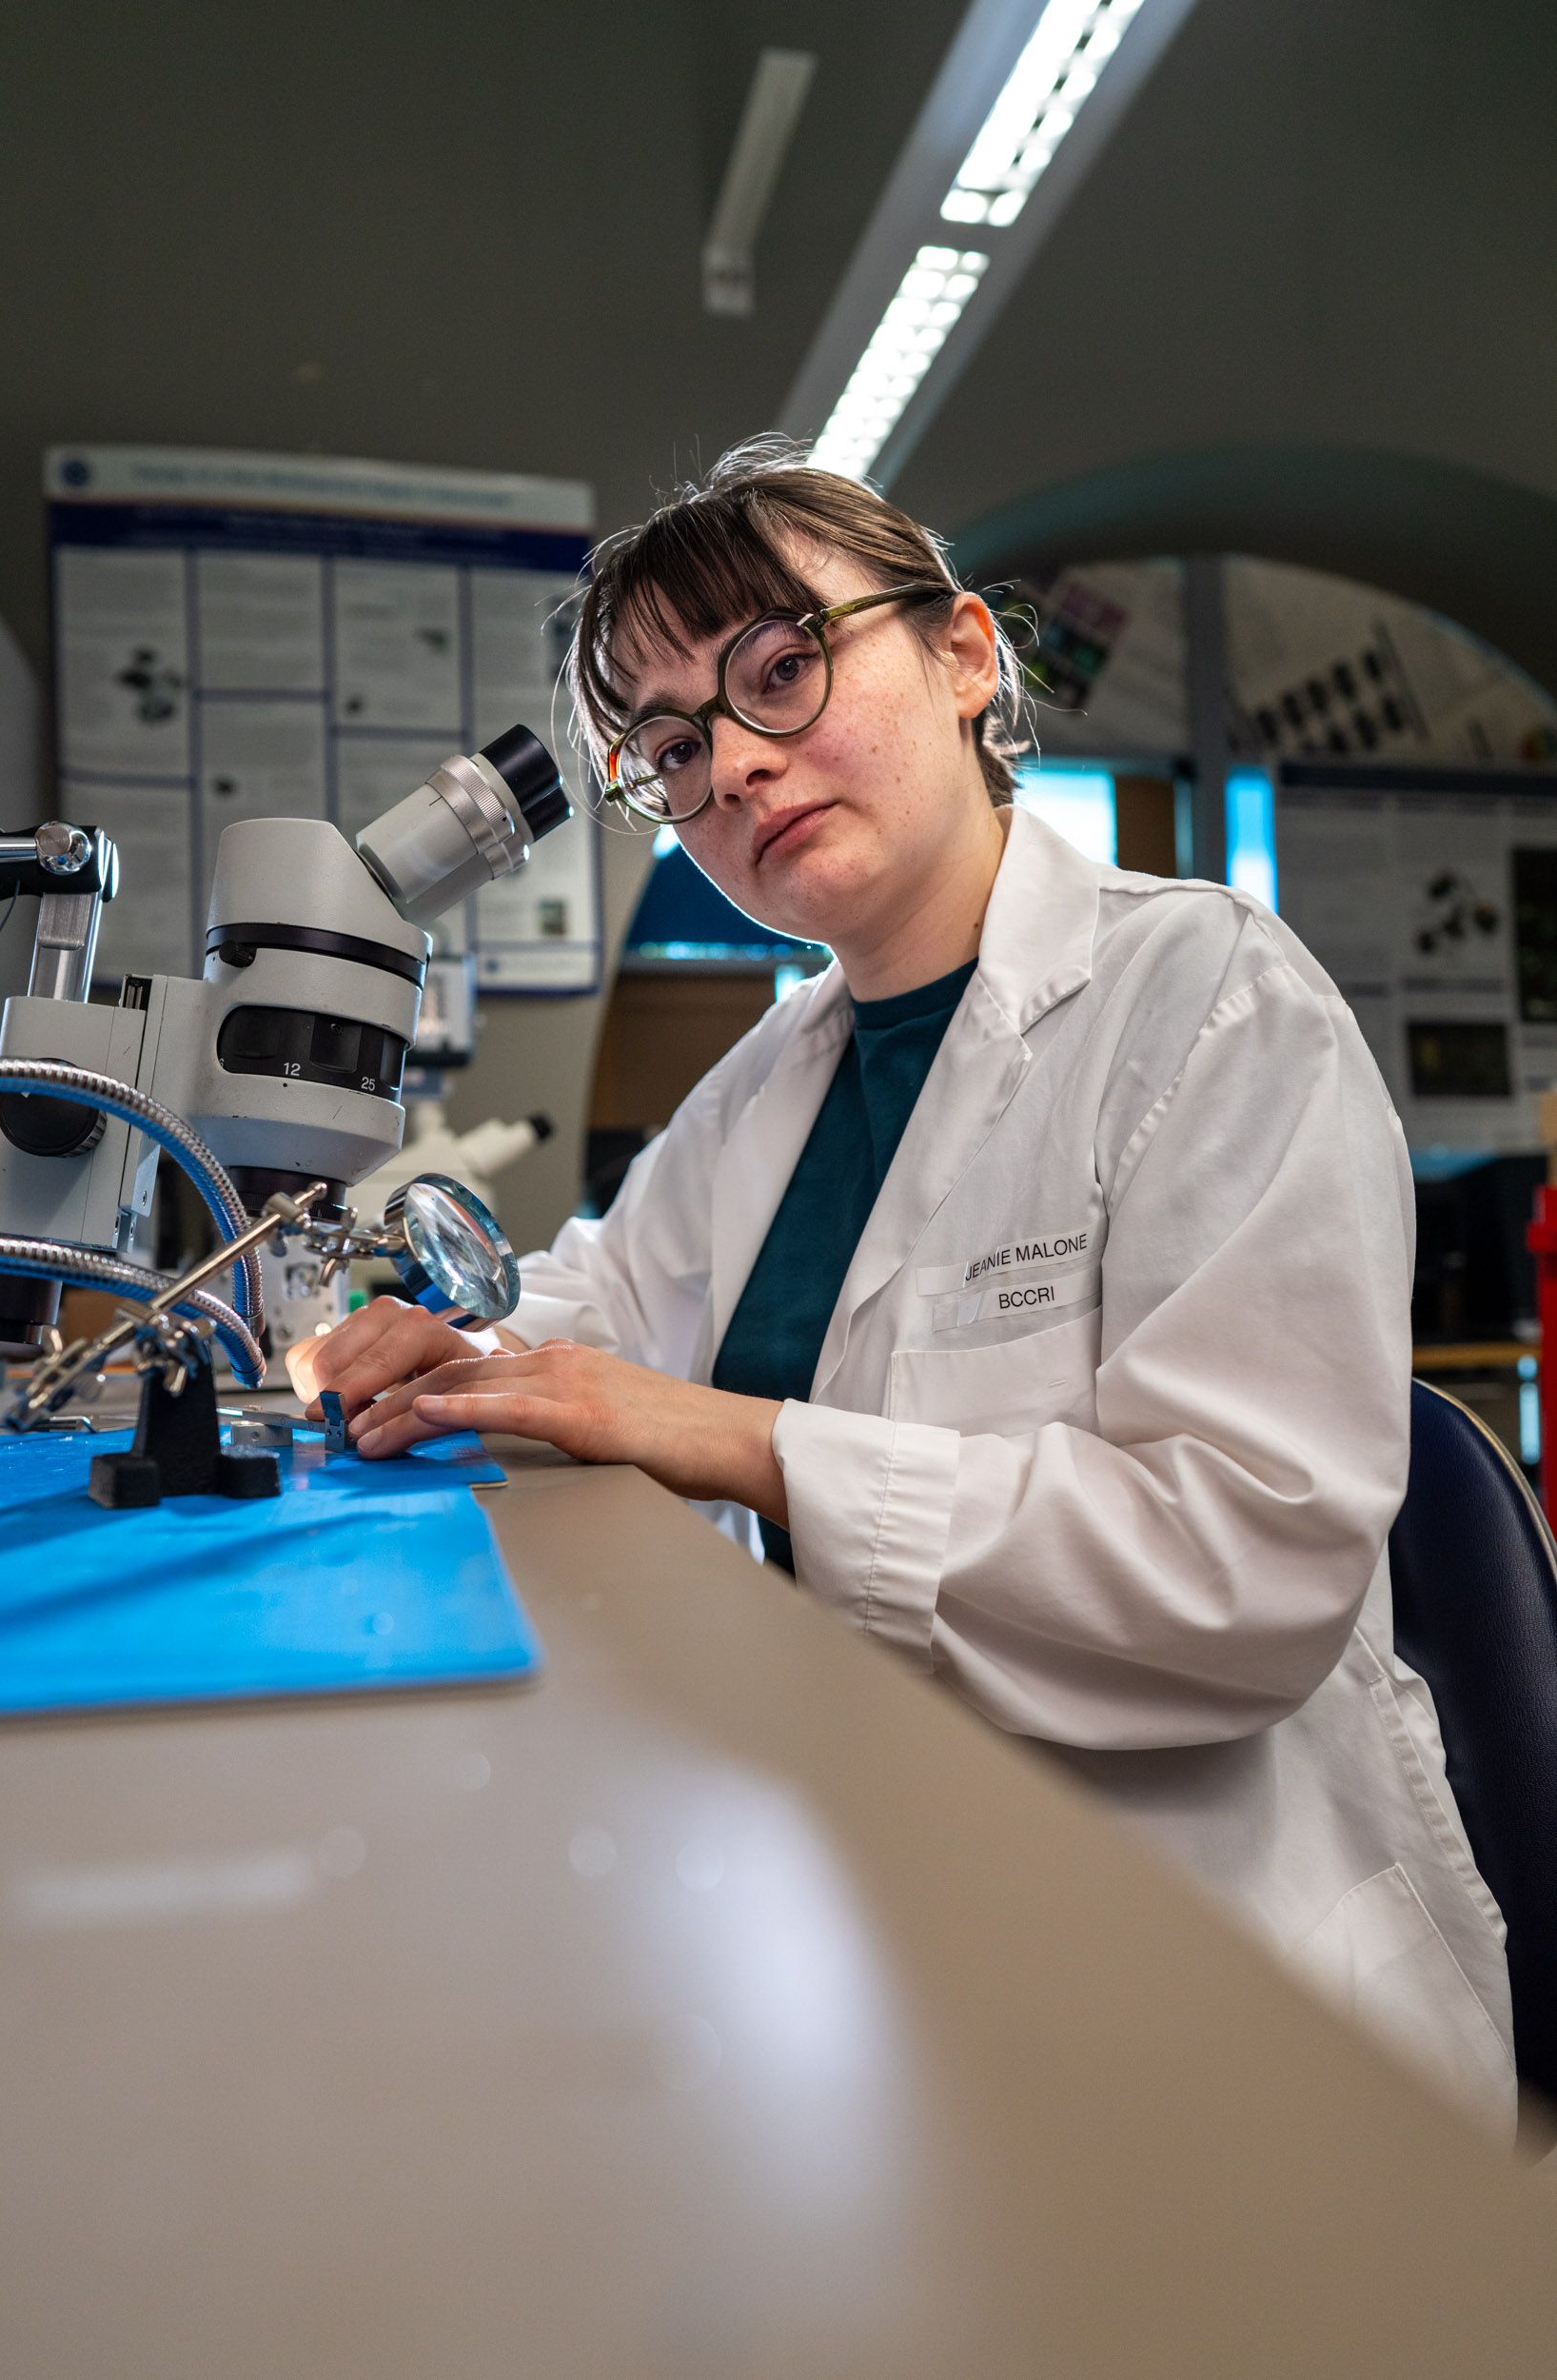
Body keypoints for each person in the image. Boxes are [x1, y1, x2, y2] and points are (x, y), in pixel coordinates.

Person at [291, 442, 1514, 2132]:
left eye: (780, 668)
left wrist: (748, 1442)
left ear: (963, 656)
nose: (731, 762)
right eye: (670, 745)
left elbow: (1243, 1570)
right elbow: (587, 1326)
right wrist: (440, 1348)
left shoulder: (1211, 997)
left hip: (1218, 1978)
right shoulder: (766, 1084)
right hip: (872, 1908)